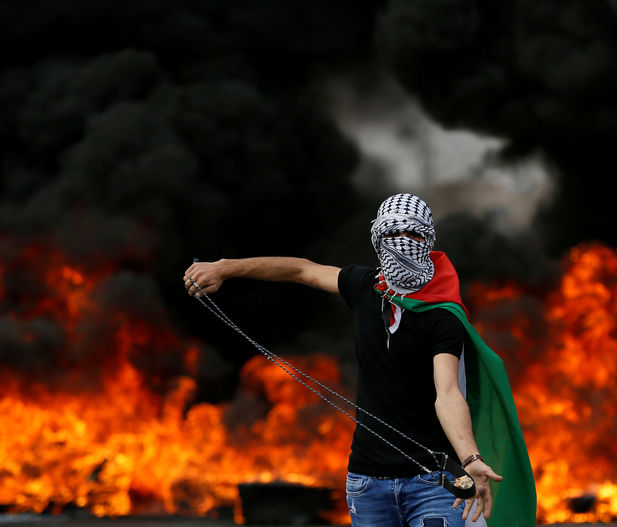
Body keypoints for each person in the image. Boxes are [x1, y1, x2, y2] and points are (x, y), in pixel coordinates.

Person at [184, 193, 536, 527]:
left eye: (412, 233)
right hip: (367, 484)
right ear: (377, 239)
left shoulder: (442, 316)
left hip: (434, 483)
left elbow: (447, 393)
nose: (402, 241)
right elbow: (301, 270)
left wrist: (471, 458)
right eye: (392, 233)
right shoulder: (365, 287)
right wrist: (225, 268)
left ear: (428, 240)